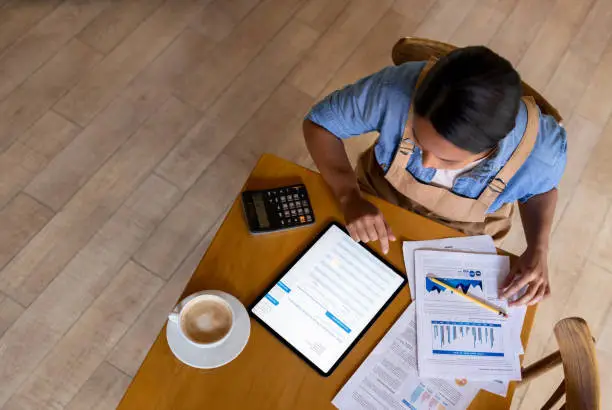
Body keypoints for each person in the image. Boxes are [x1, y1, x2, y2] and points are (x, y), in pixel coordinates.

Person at [303, 46, 567, 307]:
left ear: (493, 146)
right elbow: (320, 125)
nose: (428, 163)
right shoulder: (393, 91)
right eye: (417, 140)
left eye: (448, 159)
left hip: (467, 232)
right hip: (377, 198)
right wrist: (349, 195)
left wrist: (538, 247)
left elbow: (539, 191)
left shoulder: (541, 153)